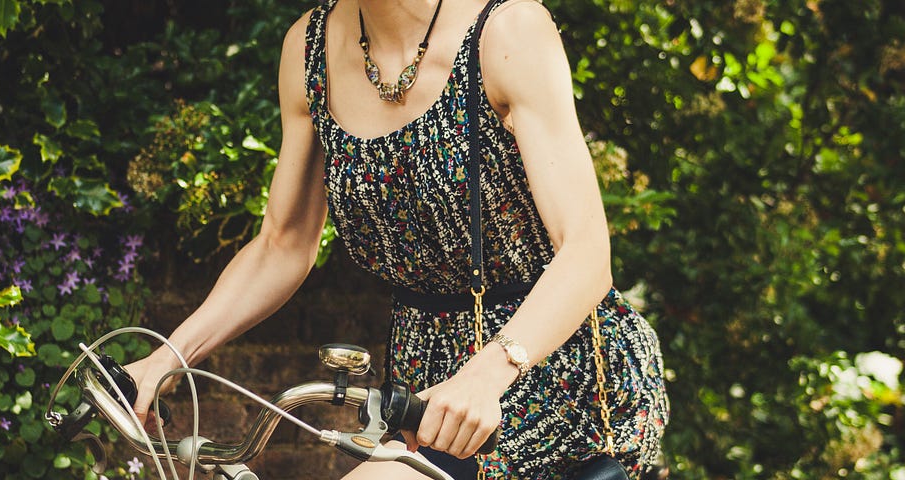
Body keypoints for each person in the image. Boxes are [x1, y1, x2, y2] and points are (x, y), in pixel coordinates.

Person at [124, 0, 668, 477]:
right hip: (424, 385)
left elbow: (588, 251)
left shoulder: (508, 32)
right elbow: (283, 243)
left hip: (554, 368)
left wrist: (487, 374)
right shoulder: (309, 49)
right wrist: (172, 353)